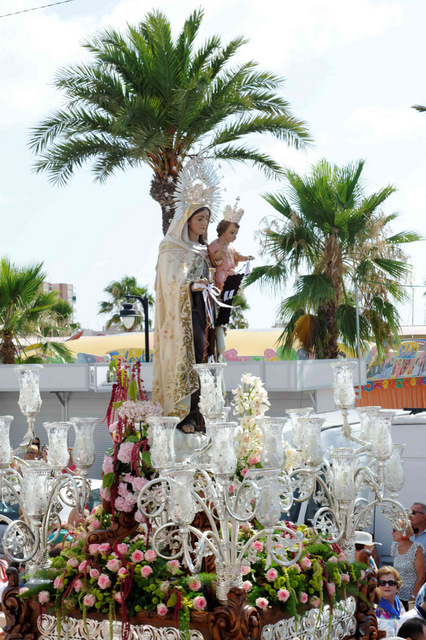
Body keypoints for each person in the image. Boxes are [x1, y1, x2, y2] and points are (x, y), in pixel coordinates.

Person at [153, 203, 214, 433]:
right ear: (186, 220)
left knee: (205, 361)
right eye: (199, 218)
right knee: (190, 361)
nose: (204, 223)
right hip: (183, 318)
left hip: (204, 313)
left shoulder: (205, 250)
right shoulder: (170, 247)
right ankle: (185, 416)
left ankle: (202, 416)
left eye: (207, 218)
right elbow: (168, 283)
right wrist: (191, 286)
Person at [392, 522, 425, 609]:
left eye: (394, 530)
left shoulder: (416, 549)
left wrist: (413, 598)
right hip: (396, 596)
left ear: (404, 532)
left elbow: (421, 577)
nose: (392, 533)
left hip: (410, 598)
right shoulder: (394, 546)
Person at [376, 565, 405, 637]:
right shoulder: (375, 608)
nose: (386, 586)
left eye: (391, 583)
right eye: (382, 583)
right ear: (377, 586)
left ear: (397, 586)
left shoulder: (399, 604)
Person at [409, 503, 426, 570]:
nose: (410, 516)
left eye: (413, 513)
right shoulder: (406, 534)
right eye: (408, 513)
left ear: (424, 516)